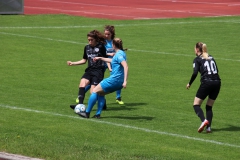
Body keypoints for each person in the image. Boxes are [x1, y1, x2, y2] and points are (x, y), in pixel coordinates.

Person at [78, 38, 128, 118]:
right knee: (101, 93)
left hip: (114, 80)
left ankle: (87, 113)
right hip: (119, 83)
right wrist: (100, 58)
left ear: (113, 45)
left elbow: (125, 66)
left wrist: (125, 81)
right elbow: (112, 60)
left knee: (94, 91)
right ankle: (98, 114)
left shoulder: (118, 55)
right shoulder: (121, 53)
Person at [67, 30, 108, 114]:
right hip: (89, 70)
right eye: (88, 40)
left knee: (93, 92)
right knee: (82, 84)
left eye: (91, 40)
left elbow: (106, 59)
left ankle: (103, 102)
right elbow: (84, 60)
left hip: (98, 72)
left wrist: (110, 67)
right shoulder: (87, 47)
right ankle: (80, 105)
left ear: (96, 39)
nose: (89, 41)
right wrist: (73, 63)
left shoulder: (101, 47)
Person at [186, 42, 221, 133]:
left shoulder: (197, 59)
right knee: (209, 106)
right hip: (217, 82)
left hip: (207, 83)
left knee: (196, 104)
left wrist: (189, 83)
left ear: (197, 49)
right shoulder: (211, 57)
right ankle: (208, 128)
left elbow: (195, 73)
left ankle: (203, 120)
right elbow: (216, 70)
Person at [104, 25, 125, 105]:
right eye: (105, 34)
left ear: (111, 34)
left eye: (108, 34)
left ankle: (118, 97)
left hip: (113, 62)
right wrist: (110, 53)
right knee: (96, 78)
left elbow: (118, 51)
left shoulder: (114, 42)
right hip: (104, 61)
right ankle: (81, 93)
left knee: (117, 78)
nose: (106, 36)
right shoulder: (103, 42)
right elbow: (101, 53)